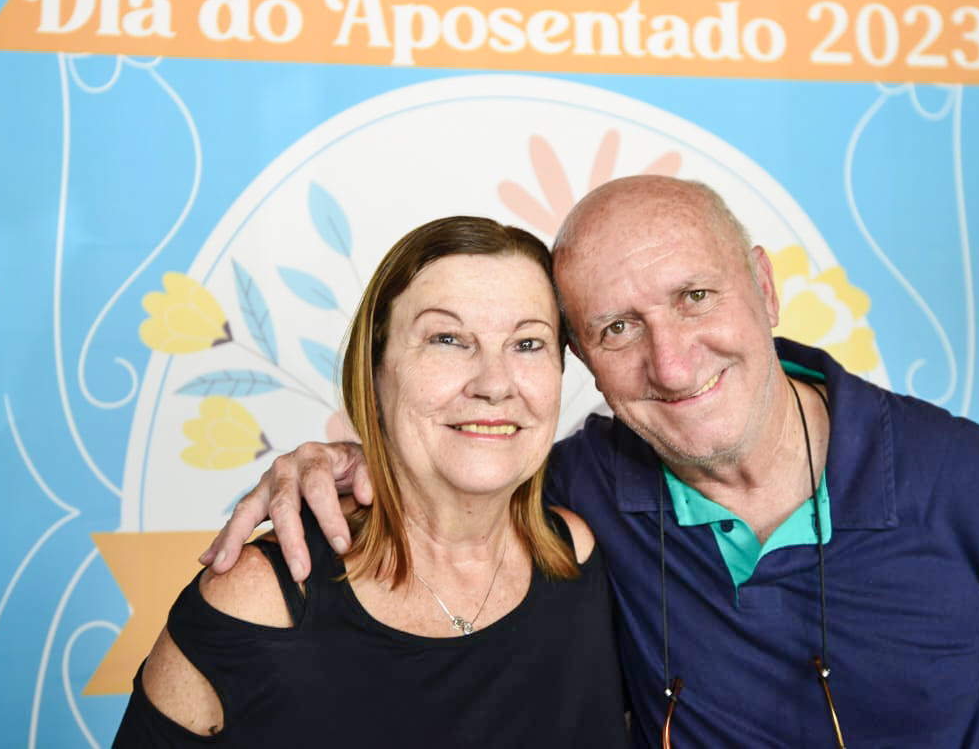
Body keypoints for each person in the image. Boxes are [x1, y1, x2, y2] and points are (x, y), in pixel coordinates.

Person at [203, 176, 979, 748]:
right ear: (582, 362)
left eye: (696, 296)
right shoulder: (572, 503)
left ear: (763, 287)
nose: (671, 366)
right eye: (618, 329)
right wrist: (345, 462)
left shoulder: (960, 474)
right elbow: (456, 470)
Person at [116, 216, 628, 747]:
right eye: (447, 339)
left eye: (527, 344)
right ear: (375, 371)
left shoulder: (579, 557)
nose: (494, 384)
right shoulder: (258, 600)